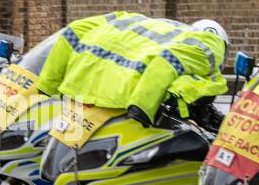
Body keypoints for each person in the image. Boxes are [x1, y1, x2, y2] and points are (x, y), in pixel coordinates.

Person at [37, 12, 227, 128]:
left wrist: (46, 86)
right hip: (120, 104)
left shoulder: (136, 22)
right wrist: (142, 109)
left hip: (82, 93)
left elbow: (74, 29)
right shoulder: (209, 47)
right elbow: (165, 64)